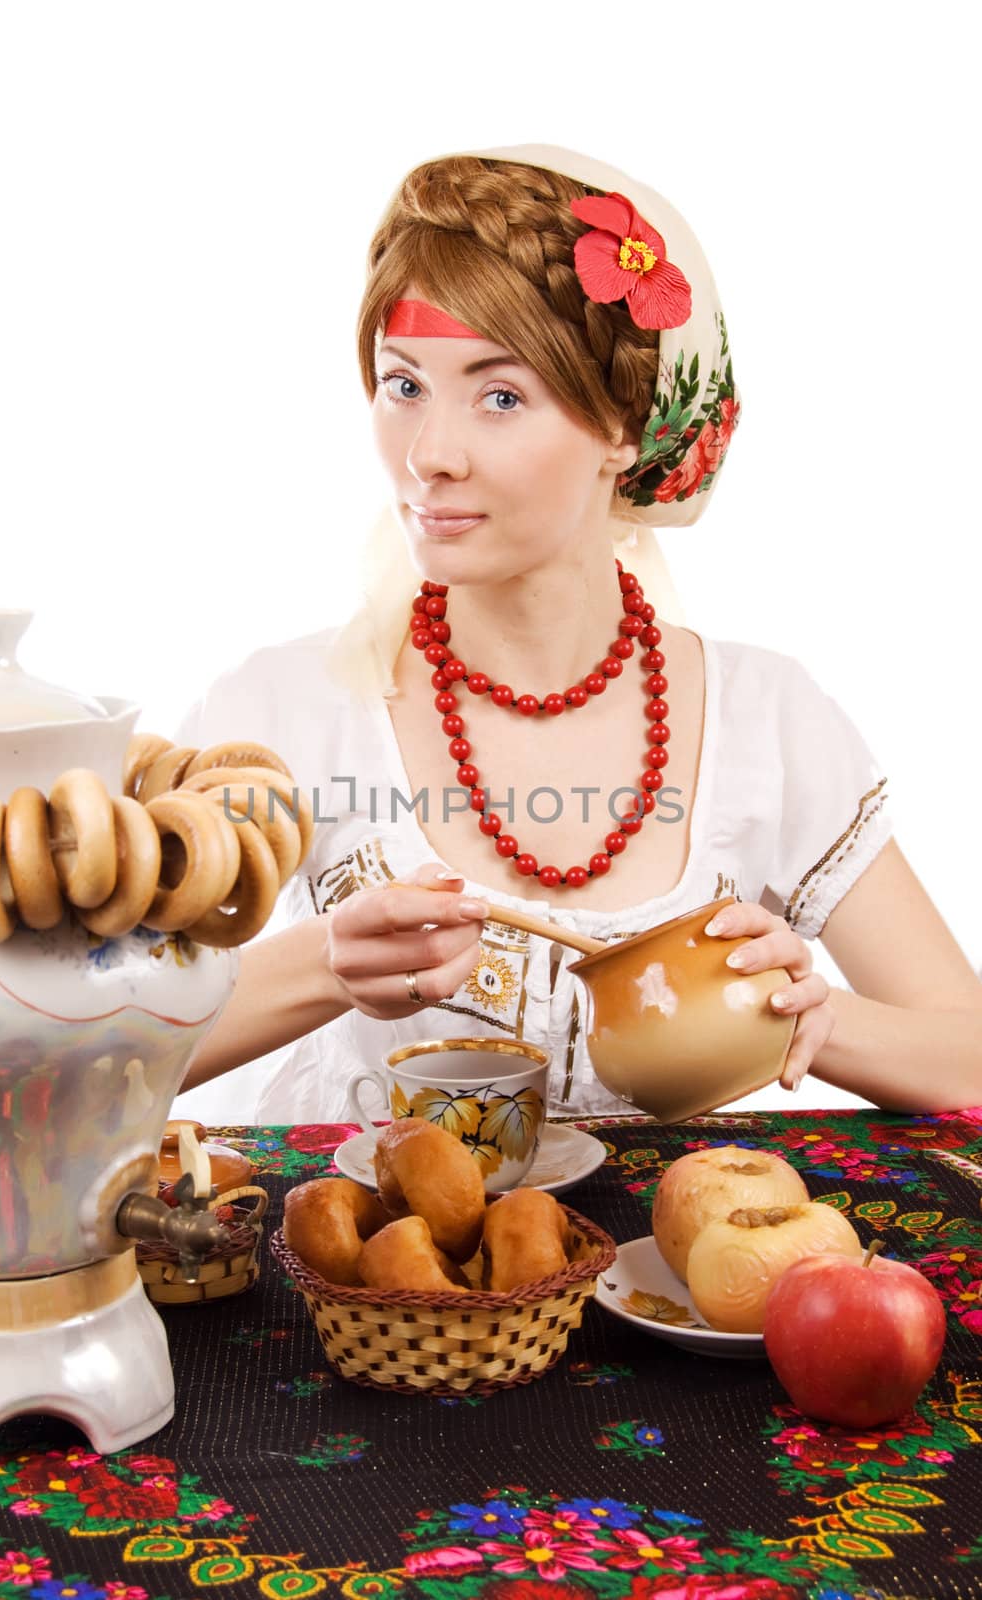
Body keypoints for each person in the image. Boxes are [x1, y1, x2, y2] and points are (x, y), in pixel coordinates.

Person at [174, 143, 982, 1122]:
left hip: (670, 1274)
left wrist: (813, 1019)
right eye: (403, 384)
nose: (428, 454)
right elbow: (61, 1070)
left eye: (500, 395)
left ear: (624, 428)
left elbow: (965, 1056)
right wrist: (317, 966)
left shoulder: (765, 721)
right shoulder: (283, 715)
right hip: (351, 1271)